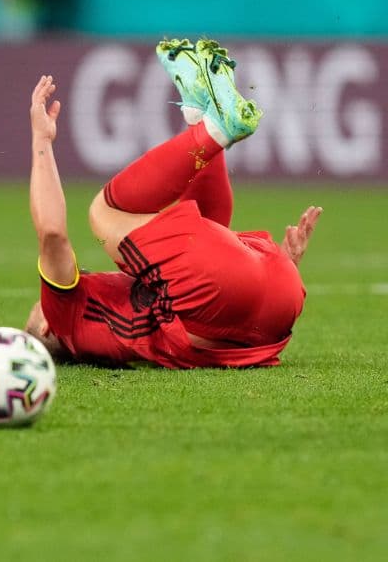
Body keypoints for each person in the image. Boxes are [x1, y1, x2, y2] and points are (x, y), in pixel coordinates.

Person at [25, 38, 321, 368]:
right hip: (226, 293)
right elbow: (51, 233)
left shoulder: (122, 321)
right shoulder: (62, 315)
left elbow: (209, 240)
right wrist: (41, 140)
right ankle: (213, 128)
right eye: (38, 306)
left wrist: (284, 266)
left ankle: (200, 114)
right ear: (46, 325)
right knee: (104, 213)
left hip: (275, 307)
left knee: (201, 236)